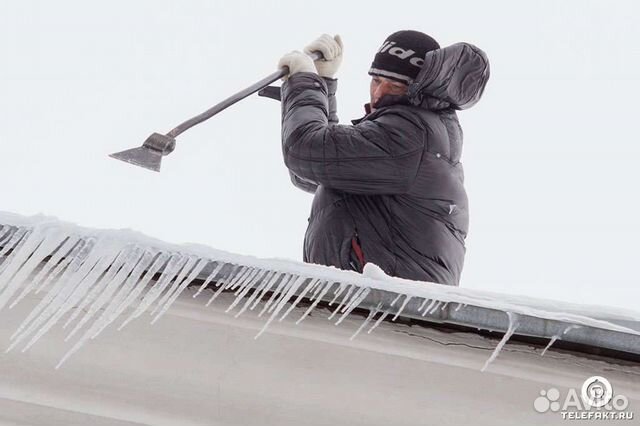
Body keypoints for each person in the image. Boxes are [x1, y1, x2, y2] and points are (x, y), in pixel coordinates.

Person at [274, 31, 489, 286]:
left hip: (390, 307)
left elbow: (305, 150)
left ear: (418, 89)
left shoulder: (411, 134)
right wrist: (322, 81)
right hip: (372, 304)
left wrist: (305, 83)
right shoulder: (418, 131)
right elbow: (316, 173)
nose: (378, 94)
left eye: (396, 86)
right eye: (376, 80)